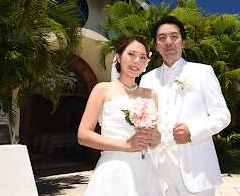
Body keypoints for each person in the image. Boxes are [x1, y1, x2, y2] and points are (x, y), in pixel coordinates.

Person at [140, 16, 231, 196]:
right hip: (157, 168)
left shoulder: (202, 71)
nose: (168, 42)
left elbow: (222, 114)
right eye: (162, 38)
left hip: (196, 167)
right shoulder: (146, 79)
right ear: (156, 46)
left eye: (174, 36)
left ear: (183, 42)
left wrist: (193, 131)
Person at [78, 36, 162, 196]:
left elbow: (153, 142)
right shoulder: (102, 89)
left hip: (144, 172)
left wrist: (155, 137)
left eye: (142, 57)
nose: (137, 61)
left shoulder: (151, 94)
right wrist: (126, 145)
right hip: (113, 171)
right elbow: (83, 135)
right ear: (118, 56)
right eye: (131, 54)